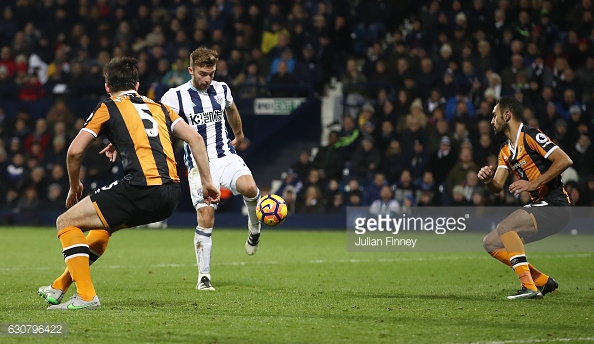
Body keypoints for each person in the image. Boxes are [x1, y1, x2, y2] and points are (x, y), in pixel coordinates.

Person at [37, 57, 220, 310]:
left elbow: (74, 152)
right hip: (170, 195)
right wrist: (208, 183)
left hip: (141, 188)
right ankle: (59, 286)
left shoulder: (108, 106)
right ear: (137, 84)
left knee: (66, 222)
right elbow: (196, 139)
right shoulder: (160, 108)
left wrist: (74, 185)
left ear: (107, 87)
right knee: (102, 228)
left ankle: (87, 296)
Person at [160, 47, 261, 291]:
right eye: (203, 74)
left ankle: (254, 227)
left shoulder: (222, 89)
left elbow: (232, 109)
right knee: (206, 215)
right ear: (191, 70)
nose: (208, 79)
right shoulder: (174, 97)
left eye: (212, 73)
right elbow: (152, 120)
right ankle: (203, 277)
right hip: (198, 165)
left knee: (250, 188)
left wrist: (238, 133)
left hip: (225, 155)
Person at [478, 97, 573, 300]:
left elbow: (564, 160)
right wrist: (488, 180)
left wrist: (533, 183)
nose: (492, 121)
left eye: (494, 115)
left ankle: (528, 287)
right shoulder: (505, 150)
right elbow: (497, 187)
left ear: (507, 115)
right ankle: (542, 281)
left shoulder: (531, 135)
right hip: (540, 206)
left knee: (506, 227)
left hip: (556, 204)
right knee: (491, 243)